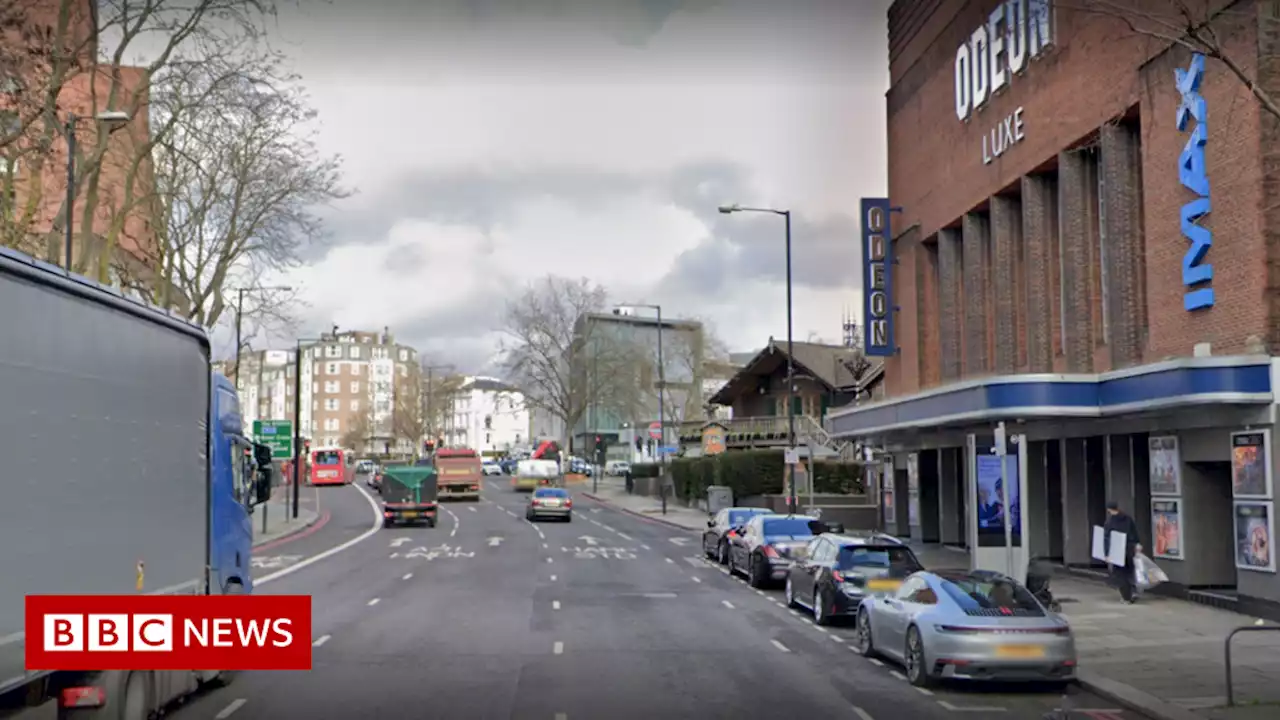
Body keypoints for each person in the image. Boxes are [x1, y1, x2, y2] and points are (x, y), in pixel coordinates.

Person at [1103, 500, 1143, 604]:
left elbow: (1107, 539)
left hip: (1117, 551)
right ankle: (1133, 591)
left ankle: (1126, 597)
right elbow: (1134, 531)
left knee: (1120, 574)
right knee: (1130, 571)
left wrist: (1107, 554)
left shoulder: (1110, 522)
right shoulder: (1128, 519)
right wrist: (1137, 543)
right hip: (1129, 548)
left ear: (1108, 510)